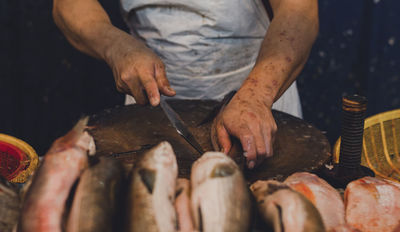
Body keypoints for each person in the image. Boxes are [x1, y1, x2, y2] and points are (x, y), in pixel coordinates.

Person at [52, 0, 319, 169]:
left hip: (256, 105)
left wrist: (257, 96)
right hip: (148, 114)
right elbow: (68, 5)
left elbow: (299, 10)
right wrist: (116, 46)